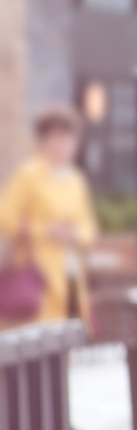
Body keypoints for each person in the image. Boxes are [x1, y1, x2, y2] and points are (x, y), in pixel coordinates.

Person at [0, 105, 98, 327]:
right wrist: (44, 231)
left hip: (70, 274)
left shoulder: (75, 180)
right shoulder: (28, 176)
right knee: (38, 343)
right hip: (37, 274)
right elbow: (4, 217)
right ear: (42, 142)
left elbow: (89, 227)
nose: (60, 145)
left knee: (66, 342)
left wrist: (74, 234)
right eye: (53, 138)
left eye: (66, 138)